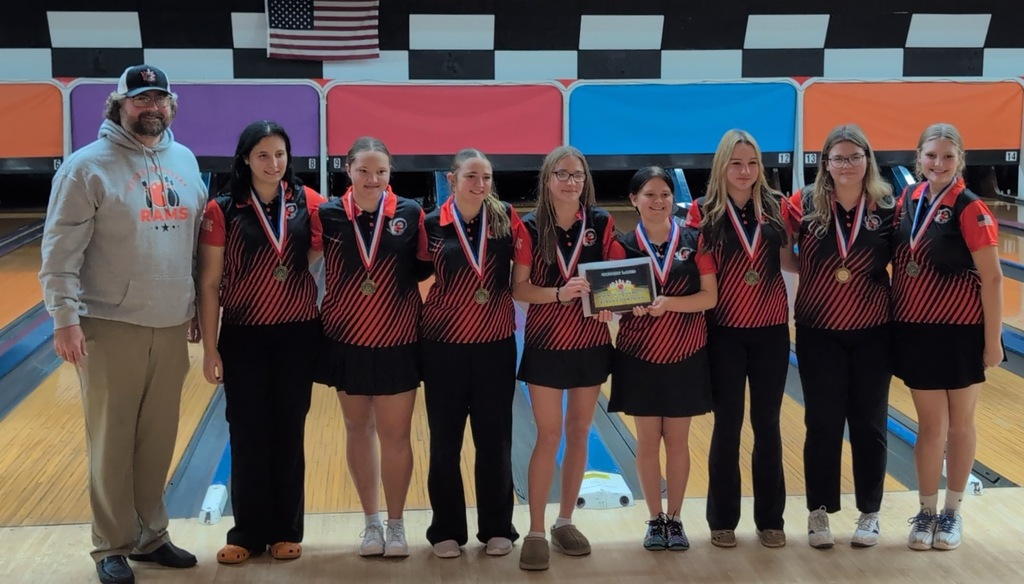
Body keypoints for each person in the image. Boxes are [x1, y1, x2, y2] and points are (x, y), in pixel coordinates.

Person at [39, 64, 204, 584]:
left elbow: (194, 244)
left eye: (159, 99)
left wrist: (196, 307)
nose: (151, 107)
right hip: (108, 323)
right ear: (119, 105)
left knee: (157, 438)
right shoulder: (85, 167)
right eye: (140, 100)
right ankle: (110, 544)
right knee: (111, 439)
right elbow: (58, 251)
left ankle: (151, 535)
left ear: (171, 106)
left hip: (171, 323)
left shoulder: (184, 158)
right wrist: (65, 320)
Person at [197, 121, 325, 564]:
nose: (274, 164)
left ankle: (287, 530)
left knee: (289, 433)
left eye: (281, 155)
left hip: (297, 334)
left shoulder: (310, 202)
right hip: (243, 336)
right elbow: (210, 281)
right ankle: (247, 532)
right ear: (245, 159)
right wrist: (210, 348)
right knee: (248, 433)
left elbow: (320, 258)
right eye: (263, 155)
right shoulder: (223, 209)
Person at [313, 136, 429, 558]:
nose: (373, 178)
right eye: (364, 170)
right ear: (348, 169)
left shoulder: (410, 213)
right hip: (347, 339)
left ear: (390, 172)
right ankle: (371, 524)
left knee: (395, 435)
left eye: (381, 171)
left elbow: (423, 268)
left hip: (399, 338)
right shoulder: (326, 215)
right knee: (357, 430)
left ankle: (396, 525)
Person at [511, 145, 624, 571]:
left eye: (577, 174)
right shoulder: (528, 227)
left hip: (590, 340)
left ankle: (564, 522)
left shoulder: (601, 222)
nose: (570, 181)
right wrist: (559, 293)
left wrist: (615, 301)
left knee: (579, 433)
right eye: (562, 174)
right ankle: (536, 529)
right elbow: (519, 288)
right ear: (547, 179)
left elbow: (618, 280)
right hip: (545, 342)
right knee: (549, 435)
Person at [893, 123, 1003, 551]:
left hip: (961, 331)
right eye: (930, 156)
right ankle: (925, 511)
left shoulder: (971, 209)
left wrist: (993, 342)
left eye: (947, 157)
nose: (938, 164)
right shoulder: (908, 200)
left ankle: (953, 513)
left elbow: (993, 279)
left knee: (959, 425)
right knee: (930, 426)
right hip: (917, 330)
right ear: (917, 158)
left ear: (961, 161)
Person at [786, 124, 896, 549]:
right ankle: (819, 512)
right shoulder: (804, 204)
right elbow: (785, 257)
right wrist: (821, 277)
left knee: (870, 424)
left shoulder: (888, 206)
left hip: (874, 332)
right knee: (823, 423)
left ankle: (869, 513)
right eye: (838, 157)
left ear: (867, 159)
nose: (846, 164)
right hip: (818, 330)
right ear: (825, 163)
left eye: (854, 156)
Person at [687, 129, 795, 549]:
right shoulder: (701, 212)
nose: (745, 171)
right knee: (727, 426)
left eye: (752, 163)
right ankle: (722, 519)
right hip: (723, 333)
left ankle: (771, 519)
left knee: (767, 426)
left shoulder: (778, 208)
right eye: (736, 163)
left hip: (770, 332)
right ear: (722, 166)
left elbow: (796, 259)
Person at [420, 148, 525, 559]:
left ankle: (498, 526)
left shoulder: (505, 219)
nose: (480, 184)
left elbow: (526, 272)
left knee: (494, 441)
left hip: (495, 345)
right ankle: (445, 529)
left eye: (486, 177)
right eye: (471, 176)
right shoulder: (429, 223)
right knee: (444, 443)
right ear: (452, 179)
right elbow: (415, 283)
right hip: (442, 346)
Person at [610, 166, 717, 551]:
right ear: (633, 200)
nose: (658, 202)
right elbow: (609, 300)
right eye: (649, 195)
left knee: (676, 440)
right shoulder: (621, 245)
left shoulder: (695, 239)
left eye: (665, 195)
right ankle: (654, 520)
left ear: (674, 199)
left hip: (685, 353)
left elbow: (710, 297)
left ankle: (675, 519)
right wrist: (622, 309)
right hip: (639, 355)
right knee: (647, 440)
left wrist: (669, 303)